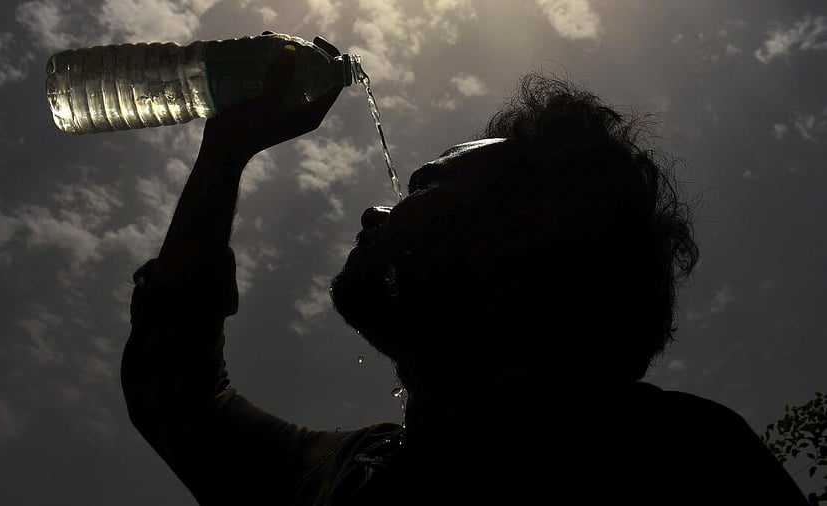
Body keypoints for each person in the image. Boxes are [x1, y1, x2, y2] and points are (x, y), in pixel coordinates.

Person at [121, 37, 808, 505]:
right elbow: (177, 396)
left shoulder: (675, 462)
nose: (374, 209)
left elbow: (178, 400)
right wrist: (226, 150)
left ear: (530, 234)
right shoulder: (353, 472)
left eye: (425, 186)